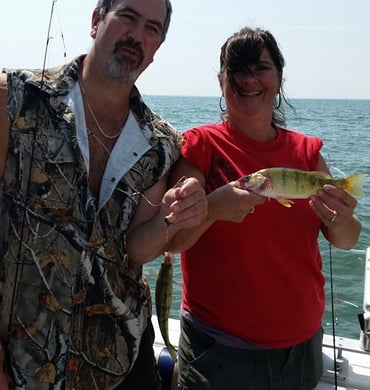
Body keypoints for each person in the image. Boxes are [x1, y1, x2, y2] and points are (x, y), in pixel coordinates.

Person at [0, 0, 207, 389]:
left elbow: (136, 250)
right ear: (96, 21)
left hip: (122, 363)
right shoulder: (13, 99)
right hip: (25, 364)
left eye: (152, 28)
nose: (137, 36)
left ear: (158, 48)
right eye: (127, 17)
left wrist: (175, 216)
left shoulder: (160, 143)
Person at [168, 27, 362, 389]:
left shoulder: (308, 152)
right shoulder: (200, 145)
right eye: (237, 69)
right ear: (222, 79)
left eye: (261, 68)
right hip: (219, 352)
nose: (248, 79)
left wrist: (343, 218)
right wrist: (212, 208)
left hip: (301, 350)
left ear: (279, 76)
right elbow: (173, 240)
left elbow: (348, 239)